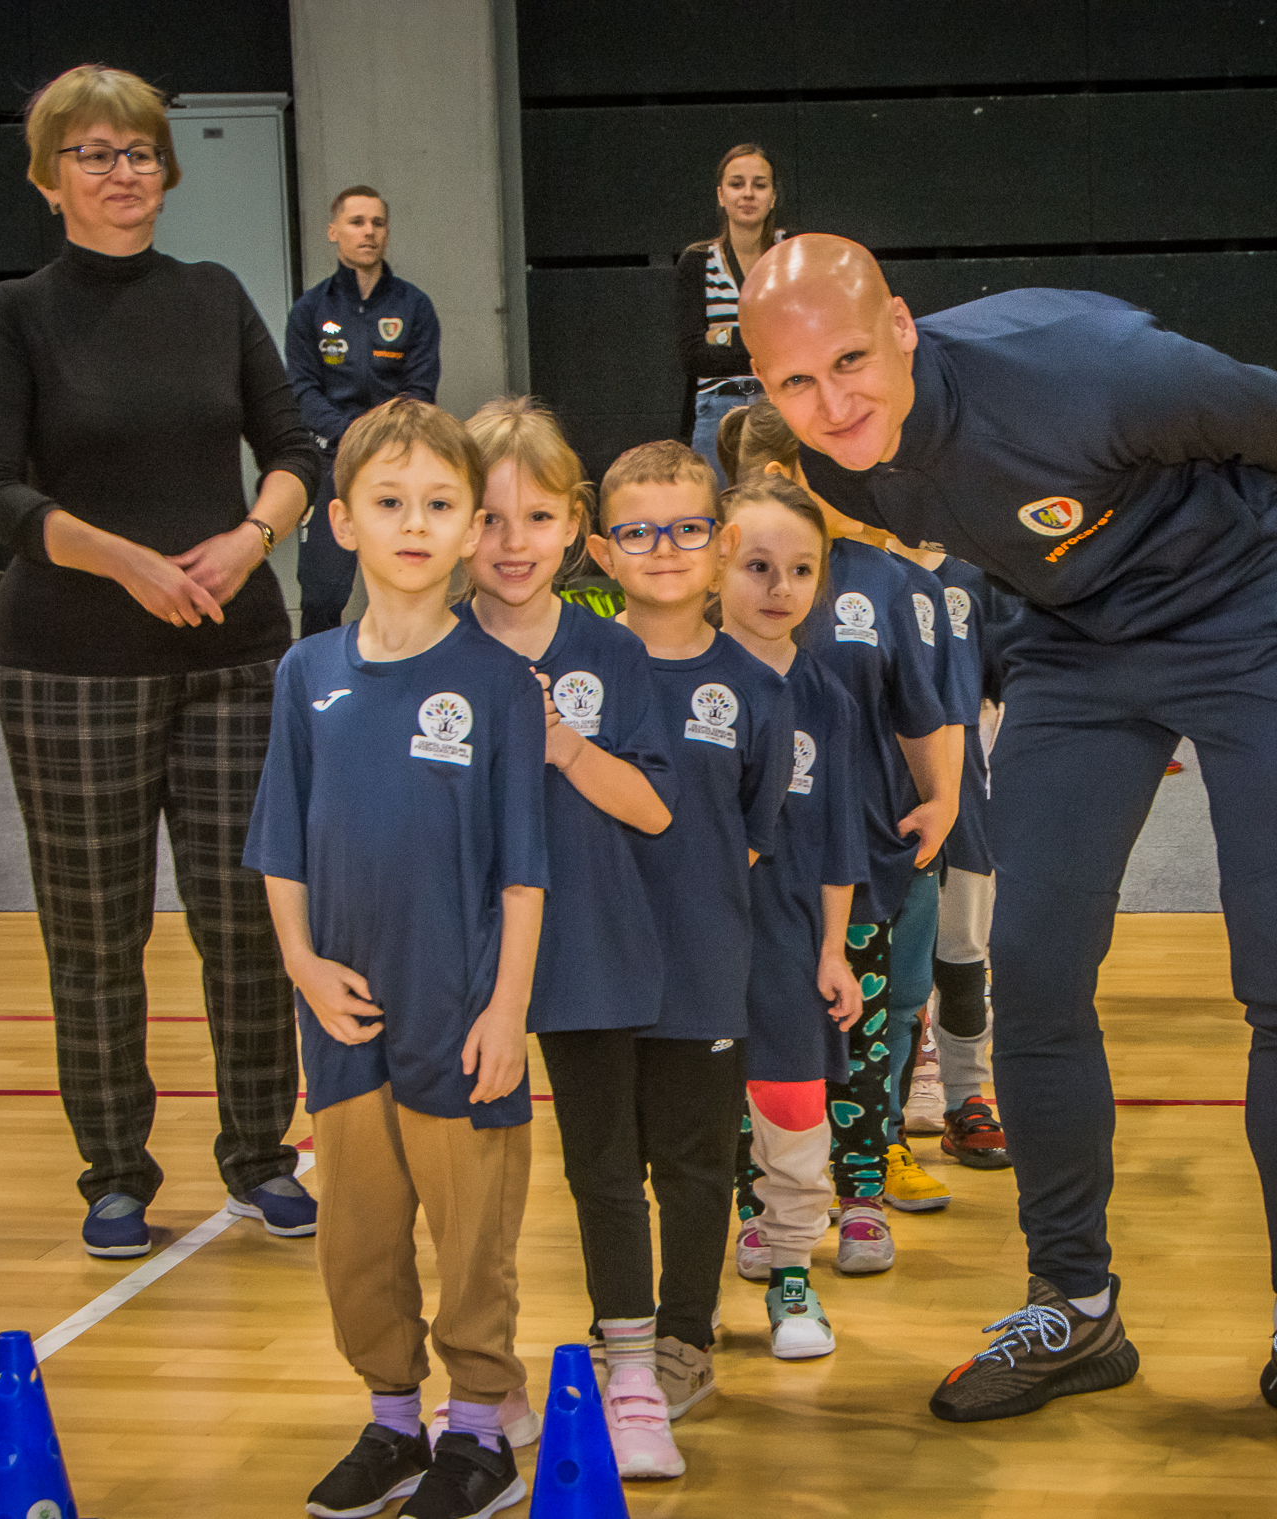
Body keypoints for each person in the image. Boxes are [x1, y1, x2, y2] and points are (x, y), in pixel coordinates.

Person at [739, 235, 1277, 1455]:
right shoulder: (835, 468)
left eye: (847, 364)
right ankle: (1074, 1305)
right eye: (793, 386)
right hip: (1078, 649)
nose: (831, 406)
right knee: (1031, 970)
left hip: (1253, 625)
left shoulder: (1087, 370)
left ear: (901, 324)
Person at [0, 63, 319, 1259]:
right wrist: (124, 561)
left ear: (166, 169)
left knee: (247, 922)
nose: (121, 173)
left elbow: (292, 446)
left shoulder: (213, 295)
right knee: (95, 932)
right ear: (48, 177)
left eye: (139, 153)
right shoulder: (17, 312)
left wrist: (252, 533)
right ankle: (114, 1173)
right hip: (68, 668)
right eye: (93, 154)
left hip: (231, 658)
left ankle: (261, 1153)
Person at [245, 398, 545, 1519]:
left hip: (461, 1009)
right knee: (358, 1242)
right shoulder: (305, 674)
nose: (413, 523)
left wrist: (506, 1008)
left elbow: (524, 873)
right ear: (339, 523)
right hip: (343, 1015)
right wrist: (304, 968)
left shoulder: (503, 685)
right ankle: (390, 1420)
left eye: (438, 504)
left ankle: (478, 1427)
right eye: (389, 502)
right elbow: (280, 846)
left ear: (473, 528)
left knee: (474, 1244)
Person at [455, 396, 685, 1480]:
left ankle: (630, 1368)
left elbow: (654, 807)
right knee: (477, 1182)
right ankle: (484, 1377)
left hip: (589, 941)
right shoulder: (435, 651)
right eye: (489, 519)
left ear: (572, 524)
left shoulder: (611, 648)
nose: (511, 544)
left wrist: (560, 744)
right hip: (467, 961)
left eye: (536, 518)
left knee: (604, 1166)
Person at [584, 440, 795, 1454]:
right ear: (601, 550)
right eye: (638, 530)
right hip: (585, 966)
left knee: (696, 1162)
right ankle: (618, 1333)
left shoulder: (752, 685)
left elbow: (756, 828)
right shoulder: (569, 670)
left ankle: (683, 1334)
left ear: (718, 547)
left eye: (686, 527)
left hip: (704, 959)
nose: (663, 548)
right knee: (602, 1163)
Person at [718, 402, 961, 1270]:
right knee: (747, 1038)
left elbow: (921, 709)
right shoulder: (718, 586)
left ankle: (860, 1193)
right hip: (742, 873)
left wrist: (942, 798)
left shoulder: (887, 583)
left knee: (856, 1033)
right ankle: (757, 1201)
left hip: (855, 853)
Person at [716, 472, 865, 1358]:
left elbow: (841, 835)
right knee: (715, 1103)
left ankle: (796, 1278)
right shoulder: (686, 679)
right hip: (702, 929)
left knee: (794, 1097)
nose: (779, 589)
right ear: (716, 568)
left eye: (801, 570)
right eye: (758, 566)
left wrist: (835, 949)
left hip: (791, 928)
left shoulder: (828, 699)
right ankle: (749, 1223)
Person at [893, 544, 1012, 1169]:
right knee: (890, 972)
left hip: (960, 799)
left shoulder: (971, 577)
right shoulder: (856, 571)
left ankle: (966, 1097)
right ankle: (885, 1106)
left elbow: (997, 686)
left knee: (963, 959)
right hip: (882, 799)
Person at [286, 186, 441, 639]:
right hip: (331, 463)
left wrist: (382, 440)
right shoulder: (310, 310)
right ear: (334, 231)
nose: (368, 232)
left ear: (387, 232)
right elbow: (302, 390)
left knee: (405, 584)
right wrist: (351, 434)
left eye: (377, 223)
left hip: (399, 462)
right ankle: (316, 687)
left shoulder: (414, 306)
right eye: (356, 222)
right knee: (321, 595)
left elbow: (420, 388)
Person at [675, 144, 784, 489]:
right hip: (716, 408)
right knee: (718, 517)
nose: (748, 193)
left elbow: (804, 341)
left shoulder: (792, 254)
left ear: (773, 197)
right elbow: (694, 357)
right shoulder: (697, 261)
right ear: (721, 195)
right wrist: (766, 342)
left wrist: (723, 336)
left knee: (784, 510)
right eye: (737, 184)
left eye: (759, 184)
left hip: (780, 406)